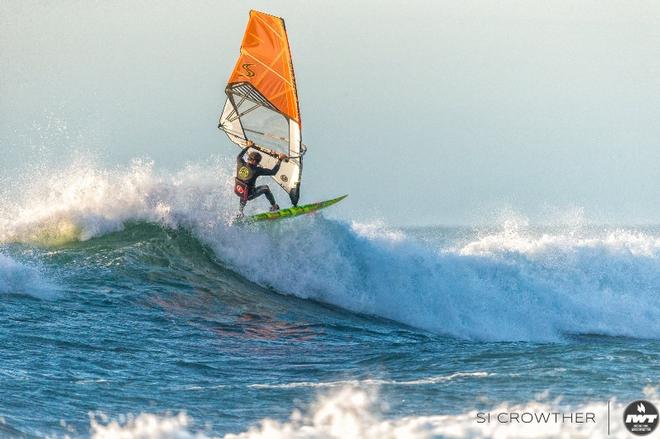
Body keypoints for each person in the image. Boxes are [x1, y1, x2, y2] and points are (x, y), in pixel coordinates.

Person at [235, 140, 287, 216]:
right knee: (266, 188)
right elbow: (273, 172)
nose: (258, 164)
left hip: (238, 190)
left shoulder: (240, 162)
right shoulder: (256, 170)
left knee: (244, 187)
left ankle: (240, 211)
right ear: (255, 162)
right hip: (249, 195)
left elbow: (239, 156)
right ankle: (274, 206)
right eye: (258, 162)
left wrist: (248, 146)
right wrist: (280, 160)